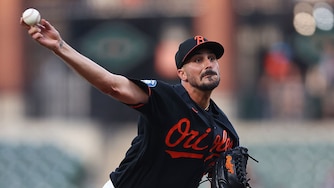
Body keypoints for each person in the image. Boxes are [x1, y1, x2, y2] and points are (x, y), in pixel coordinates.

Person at [21, 18, 240, 188]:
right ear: (182, 73)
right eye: (197, 60)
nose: (208, 64)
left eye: (212, 58)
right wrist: (59, 46)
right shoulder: (164, 98)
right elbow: (111, 85)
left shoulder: (225, 131)